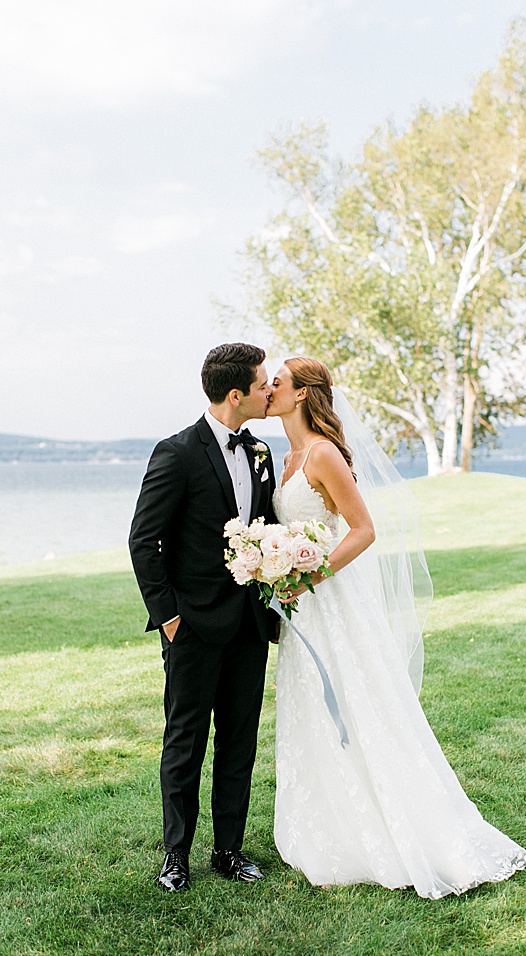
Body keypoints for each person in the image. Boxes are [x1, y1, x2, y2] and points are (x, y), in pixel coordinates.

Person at [265, 357, 526, 898]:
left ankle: (406, 828)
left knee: (359, 703)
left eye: (278, 383)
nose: (268, 389)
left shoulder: (323, 454)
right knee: (312, 705)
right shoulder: (286, 456)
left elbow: (363, 531)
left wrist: (309, 574)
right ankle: (331, 825)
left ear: (301, 395)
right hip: (302, 610)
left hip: (331, 599)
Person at [128, 342, 279, 892]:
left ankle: (230, 851)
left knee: (240, 740)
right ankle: (176, 856)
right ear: (236, 394)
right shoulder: (177, 452)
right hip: (191, 626)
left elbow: (265, 530)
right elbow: (143, 542)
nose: (271, 391)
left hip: (249, 624)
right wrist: (169, 619)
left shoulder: (260, 452)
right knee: (185, 741)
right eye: (264, 384)